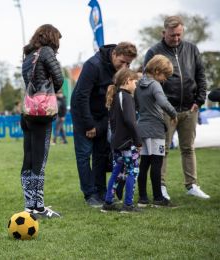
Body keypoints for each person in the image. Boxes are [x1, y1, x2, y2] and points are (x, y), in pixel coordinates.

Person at [144, 15, 210, 199]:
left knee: (188, 148)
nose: (176, 38)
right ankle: (161, 186)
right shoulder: (153, 52)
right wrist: (159, 104)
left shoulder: (192, 49)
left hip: (190, 108)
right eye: (172, 35)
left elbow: (201, 75)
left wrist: (200, 100)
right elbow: (147, 80)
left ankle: (192, 186)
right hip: (165, 109)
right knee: (162, 149)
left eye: (179, 35)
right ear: (164, 32)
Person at [70, 42, 137, 207]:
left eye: (128, 64)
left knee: (101, 154)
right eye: (122, 62)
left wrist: (101, 125)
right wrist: (88, 125)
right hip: (82, 114)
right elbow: (82, 96)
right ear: (114, 54)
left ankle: (101, 191)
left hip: (102, 116)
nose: (125, 66)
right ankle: (90, 194)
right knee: (84, 154)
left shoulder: (119, 71)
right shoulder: (93, 65)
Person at [20, 24, 64, 218]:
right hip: (42, 113)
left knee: (28, 159)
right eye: (58, 40)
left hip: (28, 112)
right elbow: (59, 78)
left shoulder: (28, 55)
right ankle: (39, 208)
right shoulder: (47, 52)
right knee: (40, 161)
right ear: (52, 38)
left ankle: (29, 205)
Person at [136, 55, 178, 207]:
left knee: (144, 165)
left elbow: (136, 106)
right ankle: (159, 199)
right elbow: (163, 102)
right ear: (157, 70)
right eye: (164, 75)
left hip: (142, 129)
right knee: (156, 164)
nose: (164, 80)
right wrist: (173, 114)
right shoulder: (155, 85)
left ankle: (142, 199)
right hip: (155, 130)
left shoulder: (138, 83)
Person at [101, 68, 142, 213]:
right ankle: (128, 205)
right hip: (127, 143)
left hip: (116, 142)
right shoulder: (127, 98)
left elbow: (113, 123)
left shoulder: (115, 97)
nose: (136, 86)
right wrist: (138, 142)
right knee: (133, 171)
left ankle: (108, 203)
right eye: (135, 82)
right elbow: (131, 122)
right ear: (127, 81)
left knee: (117, 172)